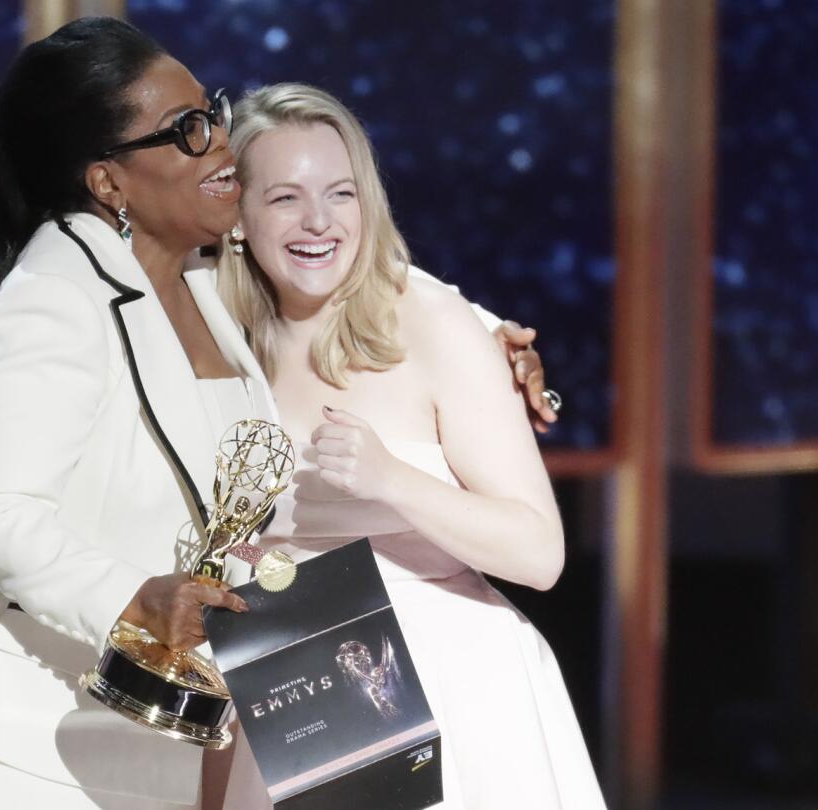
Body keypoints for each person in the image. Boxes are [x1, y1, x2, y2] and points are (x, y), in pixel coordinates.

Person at [0, 18, 267, 809]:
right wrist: (135, 597)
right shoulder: (55, 295)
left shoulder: (194, 286)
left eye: (213, 112)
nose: (221, 142)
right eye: (187, 131)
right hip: (11, 734)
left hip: (151, 737)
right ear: (108, 182)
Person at [213, 83, 607, 808]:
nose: (319, 222)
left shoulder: (431, 322)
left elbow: (540, 554)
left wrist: (392, 479)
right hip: (295, 701)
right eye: (285, 199)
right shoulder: (211, 334)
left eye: (341, 194)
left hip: (455, 699)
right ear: (237, 216)